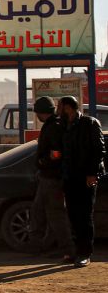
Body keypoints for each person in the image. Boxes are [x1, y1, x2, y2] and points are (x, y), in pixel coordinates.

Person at [57, 96, 105, 267]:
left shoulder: (89, 123)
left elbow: (99, 150)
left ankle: (85, 253)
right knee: (73, 215)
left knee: (84, 215)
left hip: (85, 177)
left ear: (68, 107)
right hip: (70, 177)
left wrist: (92, 173)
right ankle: (77, 252)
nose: (58, 110)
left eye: (60, 107)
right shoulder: (64, 126)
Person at [30, 96, 73, 259]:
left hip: (52, 177)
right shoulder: (53, 125)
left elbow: (56, 153)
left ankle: (67, 249)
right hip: (46, 176)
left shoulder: (53, 127)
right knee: (38, 211)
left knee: (55, 214)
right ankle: (40, 245)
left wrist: (44, 161)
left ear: (41, 113)